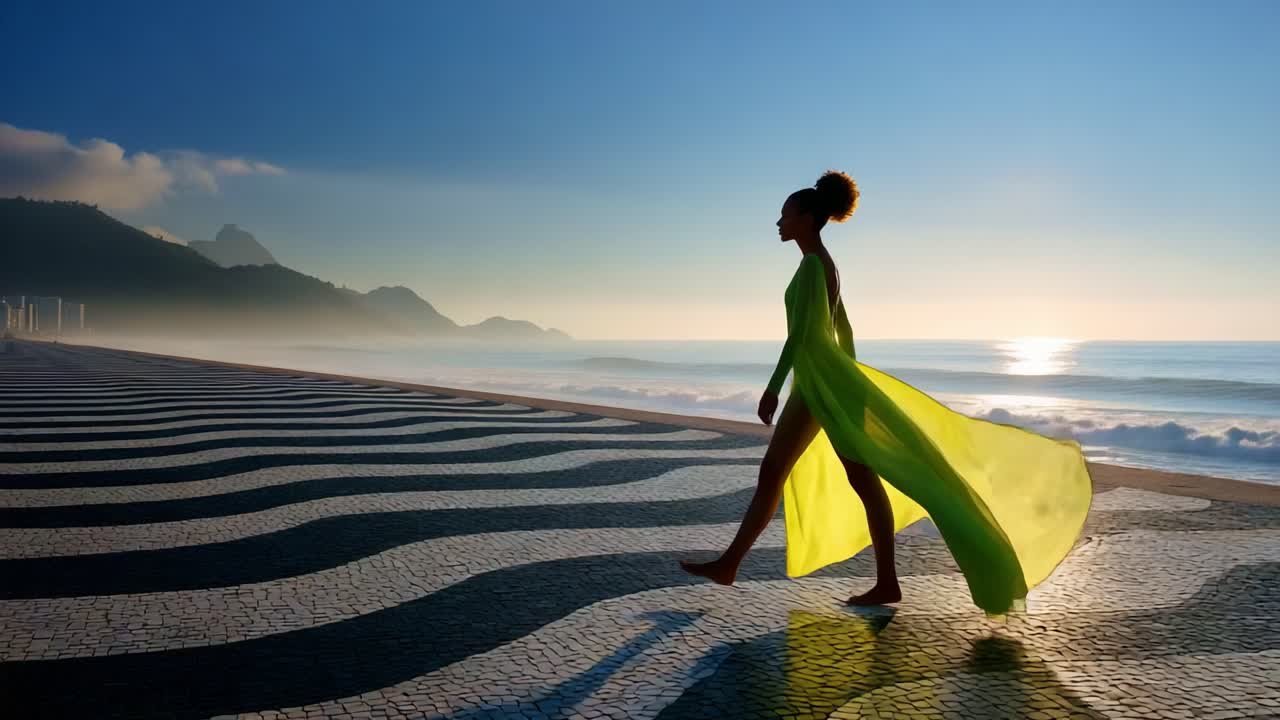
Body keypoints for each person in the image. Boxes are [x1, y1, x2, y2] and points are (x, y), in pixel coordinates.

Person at [680, 170, 1093, 616]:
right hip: (831, 382)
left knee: (776, 475)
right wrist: (851, 382)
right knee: (858, 482)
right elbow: (843, 329)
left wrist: (774, 388)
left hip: (819, 385)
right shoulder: (824, 264)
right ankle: (883, 582)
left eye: (784, 214)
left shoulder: (814, 265)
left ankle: (731, 564)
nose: (778, 222)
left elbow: (801, 337)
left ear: (807, 217)